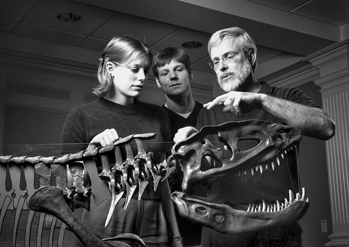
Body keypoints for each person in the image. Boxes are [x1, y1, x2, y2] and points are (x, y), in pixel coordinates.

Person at [175, 27, 335, 247]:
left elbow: (326, 127)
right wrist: (191, 142)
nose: (221, 66)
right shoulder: (208, 112)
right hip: (221, 235)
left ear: (250, 56)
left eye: (229, 56)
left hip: (277, 233)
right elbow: (204, 173)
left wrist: (261, 100)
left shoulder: (285, 97)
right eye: (215, 61)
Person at [61, 35, 179, 247]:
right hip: (105, 220)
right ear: (110, 67)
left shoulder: (159, 116)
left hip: (155, 220)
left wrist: (176, 235)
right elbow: (71, 187)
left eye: (145, 69)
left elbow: (166, 183)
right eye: (135, 69)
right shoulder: (82, 115)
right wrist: (91, 152)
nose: (142, 77)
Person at [152, 47, 203, 246]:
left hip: (210, 221)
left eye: (178, 69)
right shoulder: (152, 122)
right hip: (171, 226)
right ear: (157, 81)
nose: (173, 76)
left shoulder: (211, 115)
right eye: (165, 73)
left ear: (190, 73)